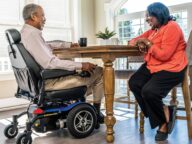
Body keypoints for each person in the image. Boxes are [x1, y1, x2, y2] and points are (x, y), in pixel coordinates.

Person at [20, 3, 104, 123]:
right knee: (99, 72)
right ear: (34, 16)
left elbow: (46, 45)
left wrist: (67, 45)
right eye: (42, 16)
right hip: (50, 82)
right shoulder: (32, 35)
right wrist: (81, 65)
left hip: (41, 81)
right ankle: (96, 112)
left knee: (87, 74)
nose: (44, 19)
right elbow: (50, 63)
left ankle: (81, 105)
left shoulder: (27, 33)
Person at [128, 2, 187, 141]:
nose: (147, 19)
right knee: (134, 83)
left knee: (149, 92)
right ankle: (164, 110)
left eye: (150, 16)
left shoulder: (172, 27)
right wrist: (139, 42)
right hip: (154, 66)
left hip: (172, 67)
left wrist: (148, 44)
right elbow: (132, 41)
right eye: (147, 16)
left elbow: (164, 55)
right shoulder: (154, 30)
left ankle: (163, 124)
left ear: (159, 14)